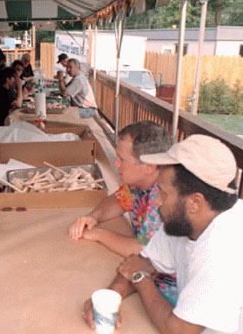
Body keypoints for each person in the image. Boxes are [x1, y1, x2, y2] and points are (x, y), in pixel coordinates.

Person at [82, 134, 243, 334]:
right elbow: (144, 261)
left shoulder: (225, 250)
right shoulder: (186, 221)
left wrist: (140, 277)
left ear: (195, 202)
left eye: (164, 194)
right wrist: (113, 295)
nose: (156, 202)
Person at [69, 121, 176, 305]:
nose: (115, 163)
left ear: (149, 166)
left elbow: (144, 252)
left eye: (122, 159)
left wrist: (99, 234)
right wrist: (93, 217)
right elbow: (117, 200)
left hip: (170, 291)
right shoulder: (139, 184)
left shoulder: (164, 197)